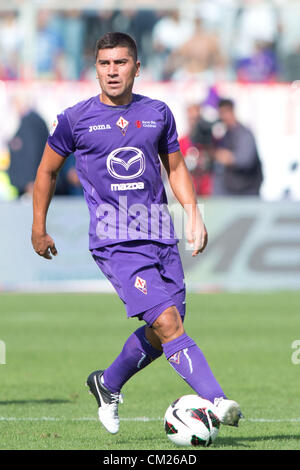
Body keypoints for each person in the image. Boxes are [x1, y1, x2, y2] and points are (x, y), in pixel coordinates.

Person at [31, 32, 242, 435]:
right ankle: (217, 401)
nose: (112, 71)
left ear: (137, 67)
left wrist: (193, 215)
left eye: (121, 63)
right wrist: (39, 227)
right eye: (104, 63)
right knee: (166, 323)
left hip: (161, 236)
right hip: (116, 242)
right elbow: (47, 171)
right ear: (95, 68)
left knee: (169, 323)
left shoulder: (158, 113)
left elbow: (176, 167)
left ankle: (107, 384)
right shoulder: (75, 119)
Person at [213, 98, 263, 196]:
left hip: (247, 192)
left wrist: (227, 157)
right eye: (220, 113)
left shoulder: (244, 134)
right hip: (231, 192)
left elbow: (245, 160)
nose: (222, 117)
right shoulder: (225, 135)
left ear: (231, 111)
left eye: (224, 112)